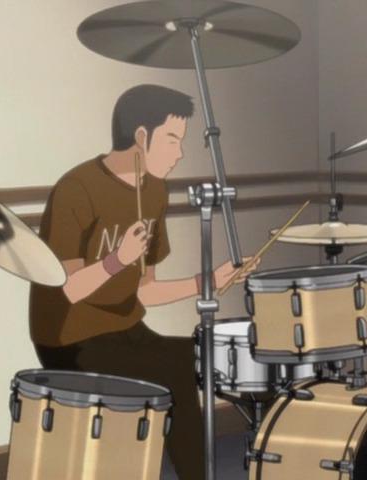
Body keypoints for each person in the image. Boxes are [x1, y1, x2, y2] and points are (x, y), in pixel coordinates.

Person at [29, 84, 257, 480]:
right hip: (68, 338)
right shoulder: (76, 188)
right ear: (140, 136)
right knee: (176, 369)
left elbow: (145, 291)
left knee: (205, 354)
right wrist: (116, 260)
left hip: (126, 329)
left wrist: (207, 281)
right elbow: (69, 289)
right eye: (172, 140)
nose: (179, 153)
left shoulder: (154, 190)